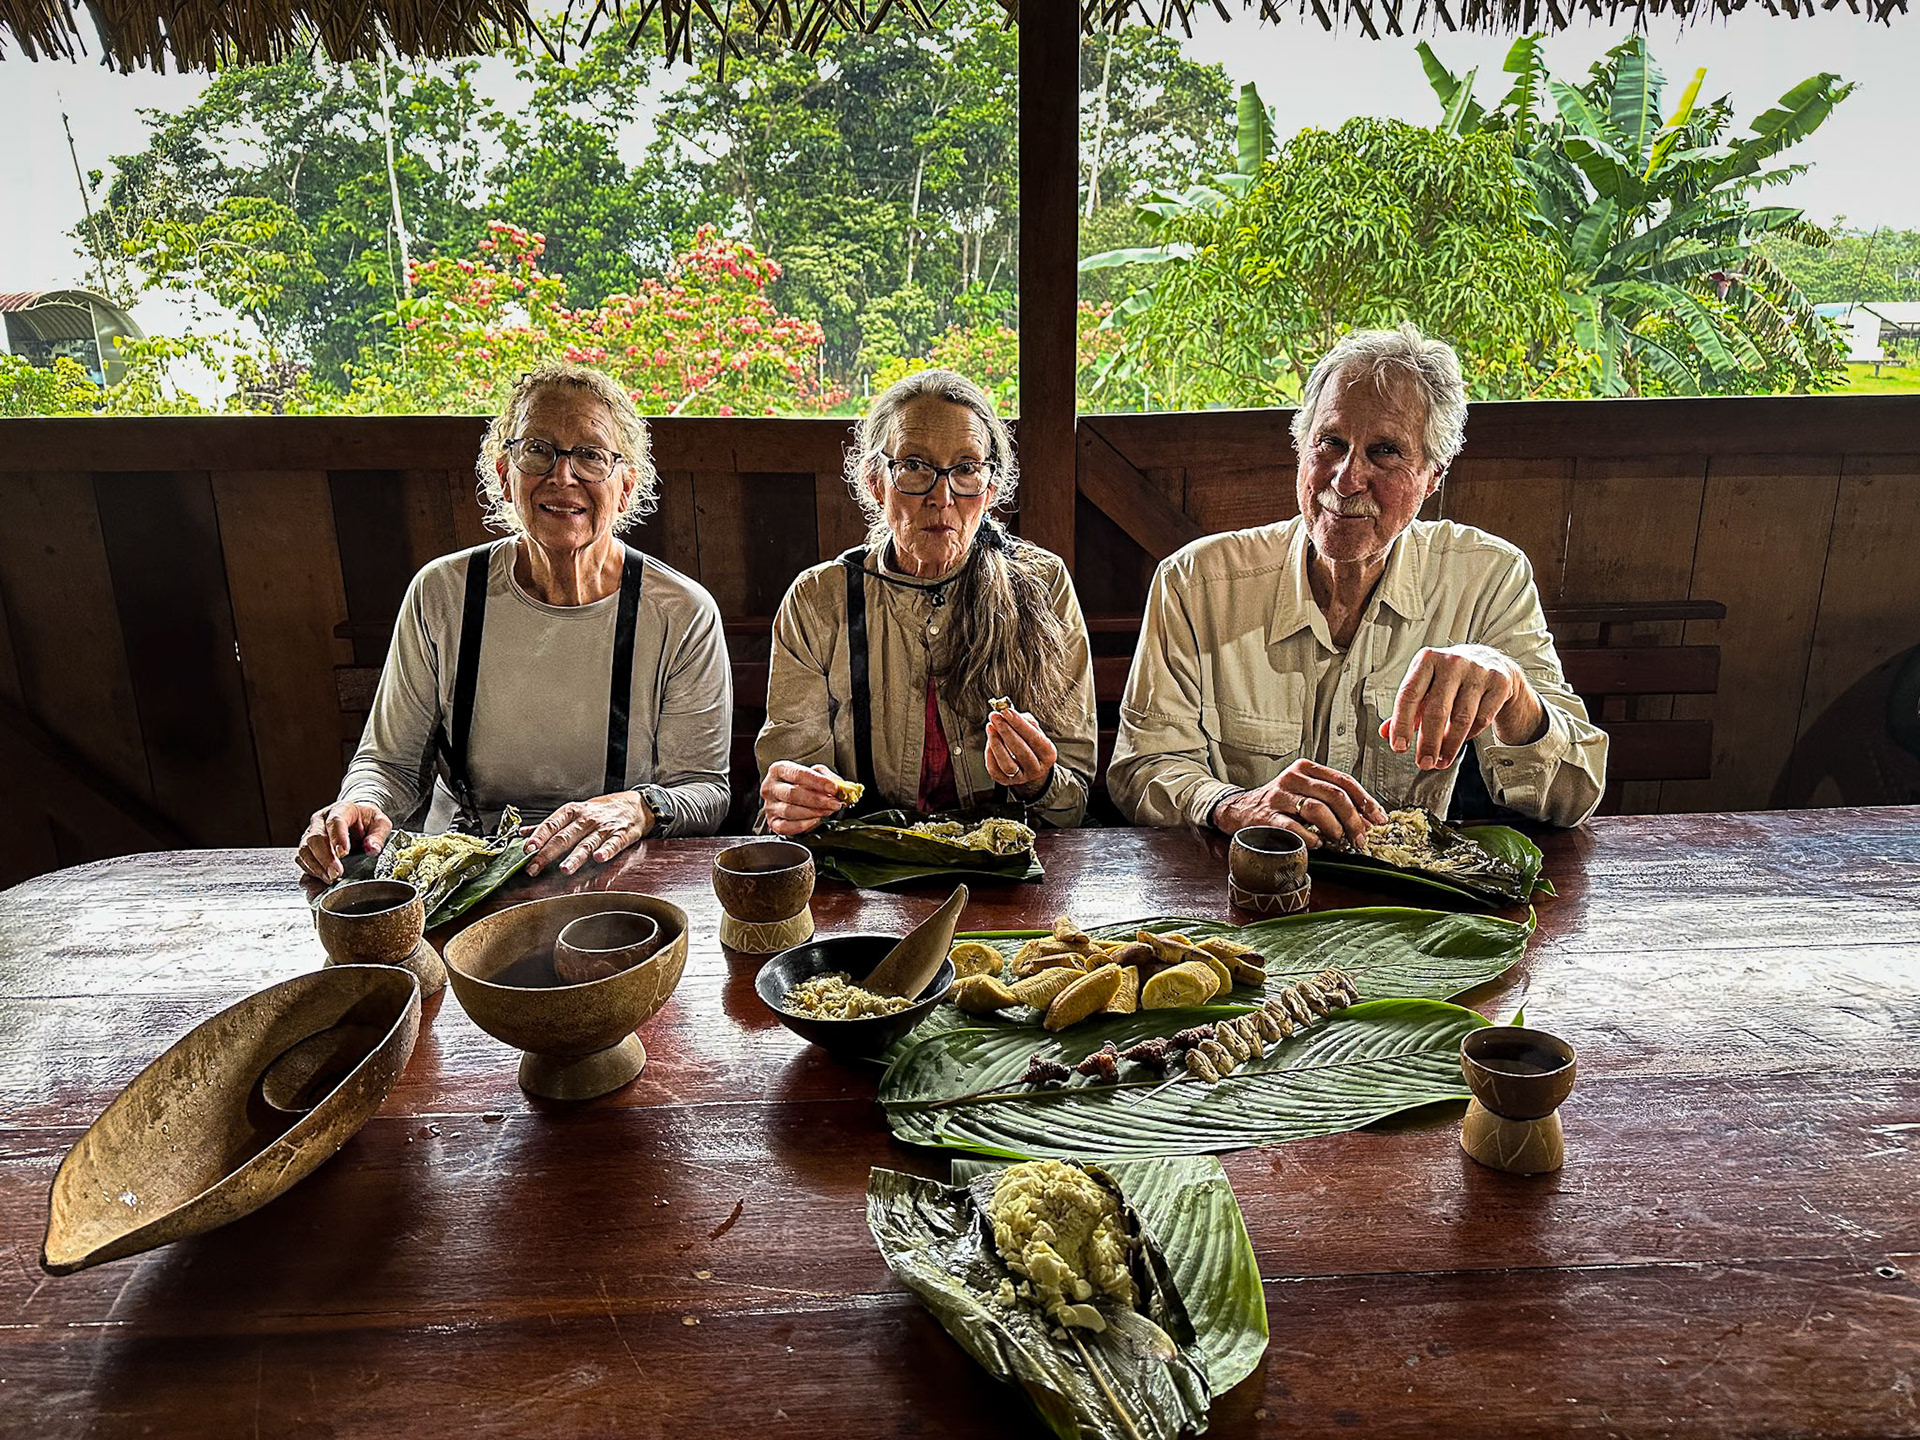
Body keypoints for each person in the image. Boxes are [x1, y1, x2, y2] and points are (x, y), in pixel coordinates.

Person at [1108, 324, 1607, 843]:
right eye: (1331, 442)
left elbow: (1574, 794)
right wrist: (1234, 804)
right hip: (1245, 892)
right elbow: (1142, 768)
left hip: (1411, 908)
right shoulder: (1196, 583)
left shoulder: (1488, 579)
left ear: (1433, 475)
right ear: (1302, 448)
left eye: (1385, 451)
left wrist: (1516, 694)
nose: (1346, 479)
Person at [297, 362, 732, 882]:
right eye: (538, 451)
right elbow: (388, 763)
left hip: (612, 871)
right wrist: (358, 805)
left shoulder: (681, 611)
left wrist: (638, 809)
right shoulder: (442, 593)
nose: (562, 475)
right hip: (460, 871)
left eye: (591, 456)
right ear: (505, 476)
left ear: (627, 487)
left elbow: (705, 788)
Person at [756, 369, 1097, 834]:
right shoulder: (820, 601)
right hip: (870, 875)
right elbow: (789, 795)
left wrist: (1039, 783)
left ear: (990, 490)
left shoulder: (1042, 584)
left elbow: (1073, 802)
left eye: (966, 469)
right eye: (914, 466)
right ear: (876, 484)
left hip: (1005, 872)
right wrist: (795, 801)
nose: (942, 497)